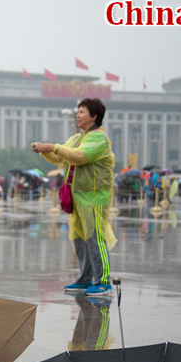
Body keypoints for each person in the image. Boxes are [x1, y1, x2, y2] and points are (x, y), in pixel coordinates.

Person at [31, 98, 116, 297]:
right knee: (80, 238)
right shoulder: (78, 138)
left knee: (95, 238)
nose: (78, 115)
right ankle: (85, 278)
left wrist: (54, 147)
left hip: (94, 197)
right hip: (78, 197)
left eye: (82, 112)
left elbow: (80, 156)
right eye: (77, 112)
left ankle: (103, 281)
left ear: (94, 116)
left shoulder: (98, 139)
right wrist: (45, 150)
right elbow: (60, 157)